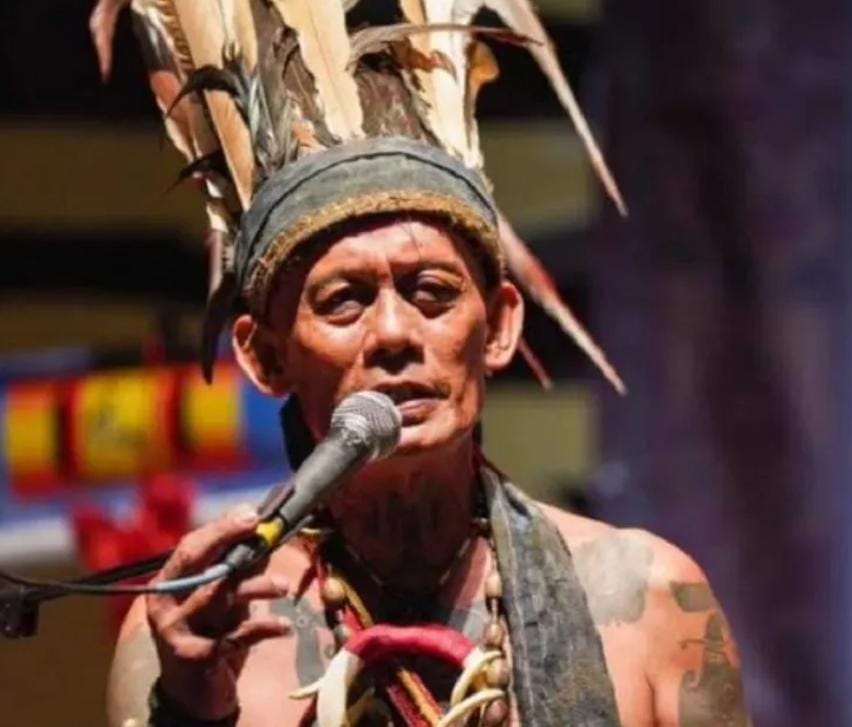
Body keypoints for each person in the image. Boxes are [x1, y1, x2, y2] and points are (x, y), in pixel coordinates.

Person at [93, 1, 752, 725]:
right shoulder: (190, 634)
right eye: (344, 301)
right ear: (265, 355)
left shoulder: (648, 603)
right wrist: (194, 709)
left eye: (432, 293)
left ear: (499, 326)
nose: (394, 333)